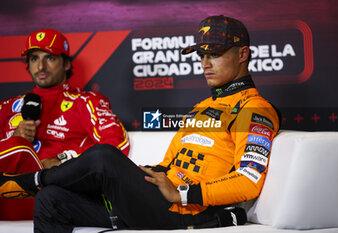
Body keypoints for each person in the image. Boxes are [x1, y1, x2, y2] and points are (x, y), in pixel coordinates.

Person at [0, 16, 280, 232]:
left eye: (215, 54)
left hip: (187, 209)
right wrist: (142, 174)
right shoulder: (202, 109)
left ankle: (26, 181)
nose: (205, 63)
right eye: (201, 55)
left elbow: (249, 180)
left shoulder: (254, 109)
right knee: (51, 200)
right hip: (158, 201)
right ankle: (39, 184)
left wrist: (183, 193)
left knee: (104, 156)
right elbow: (171, 163)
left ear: (243, 54)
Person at [0, 28, 130, 173]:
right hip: (8, 187)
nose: (41, 66)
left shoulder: (86, 102)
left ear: (66, 64)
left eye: (50, 58)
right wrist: (13, 142)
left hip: (55, 188)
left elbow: (116, 144)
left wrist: (64, 159)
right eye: (34, 58)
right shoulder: (7, 106)